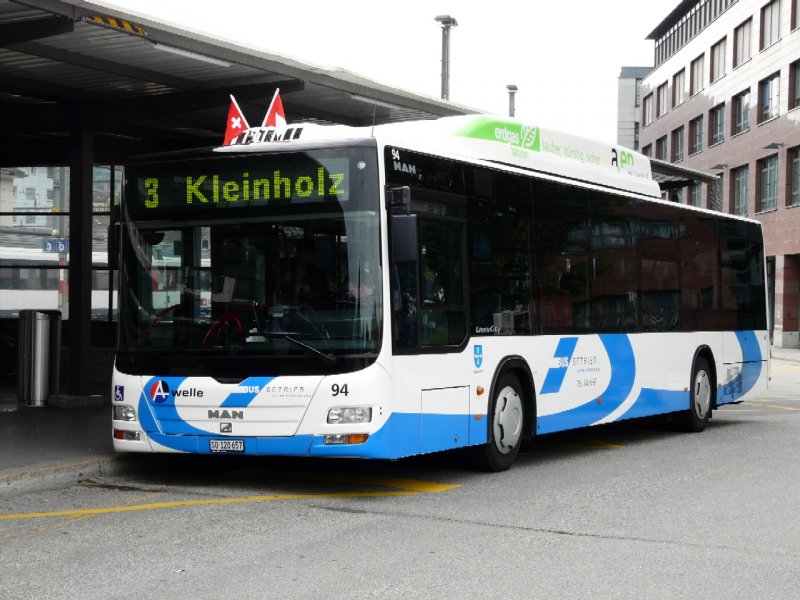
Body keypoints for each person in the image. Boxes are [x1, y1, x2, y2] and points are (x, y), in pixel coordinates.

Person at [288, 237, 331, 308]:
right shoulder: (286, 267)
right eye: (303, 251)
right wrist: (285, 282)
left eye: (308, 252)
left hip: (310, 316)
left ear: (313, 253)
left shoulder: (319, 274)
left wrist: (309, 294)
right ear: (298, 251)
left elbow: (326, 300)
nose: (305, 255)